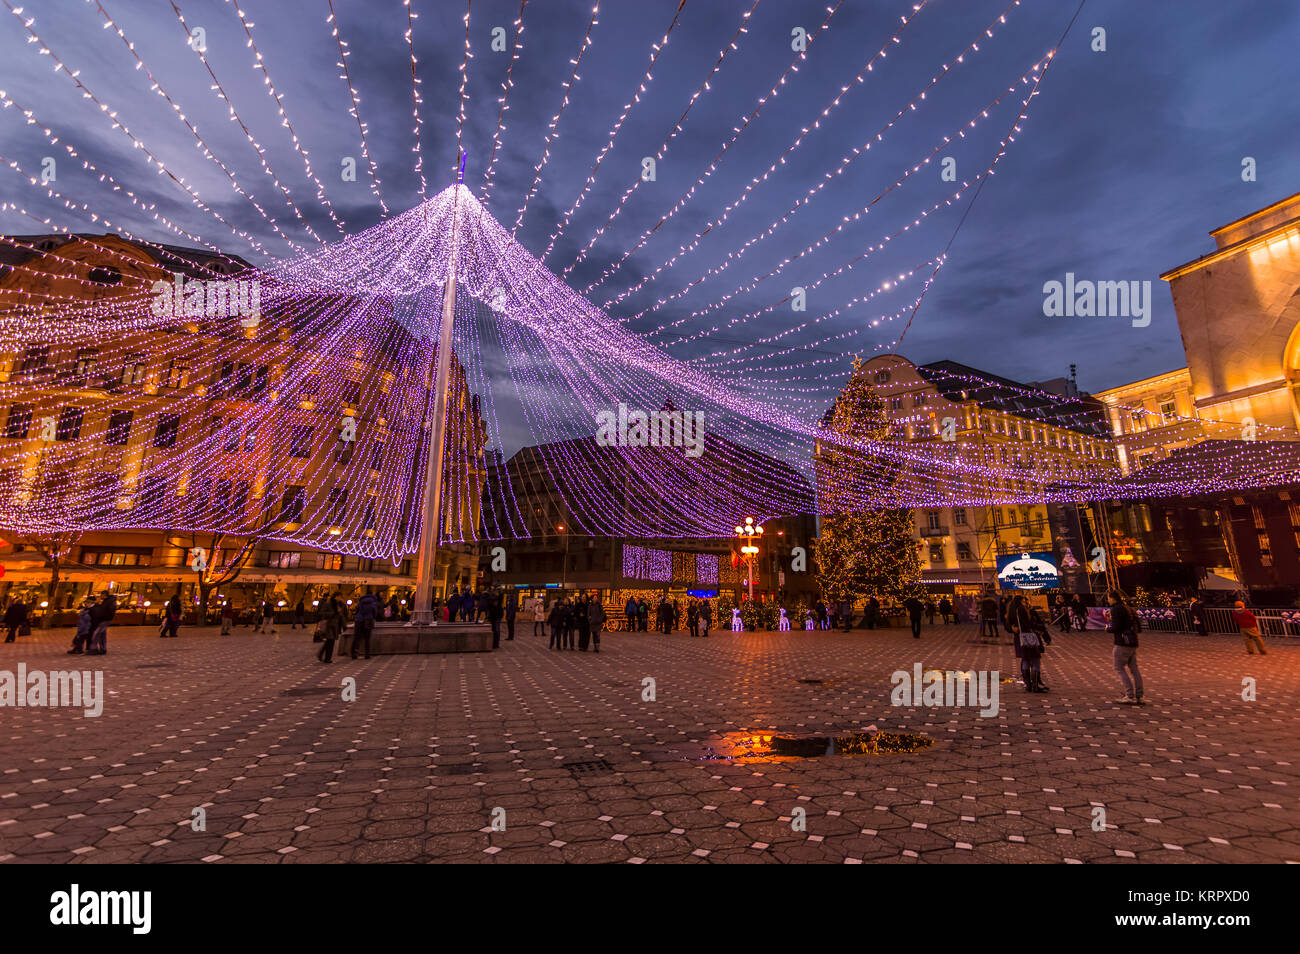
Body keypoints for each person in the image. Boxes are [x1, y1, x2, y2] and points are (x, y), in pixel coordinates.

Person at [1109, 589, 1143, 704]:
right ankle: (1139, 695)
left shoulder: (1115, 609)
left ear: (1113, 599)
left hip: (1122, 642)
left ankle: (1129, 695)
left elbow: (1116, 628)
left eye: (1108, 598)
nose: (1108, 600)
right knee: (1134, 669)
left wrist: (1107, 629)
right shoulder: (1128, 608)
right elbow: (1138, 626)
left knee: (1119, 667)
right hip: (1133, 641)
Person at [88, 590, 116, 655]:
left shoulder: (110, 601)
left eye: (101, 595)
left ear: (104, 595)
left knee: (97, 633)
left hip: (105, 619)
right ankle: (103, 649)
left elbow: (109, 611)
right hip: (104, 619)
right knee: (102, 634)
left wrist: (103, 616)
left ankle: (93, 648)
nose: (100, 596)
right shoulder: (107, 601)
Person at [352, 591, 378, 659]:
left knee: (357, 638)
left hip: (359, 620)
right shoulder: (373, 603)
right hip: (368, 620)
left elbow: (357, 611)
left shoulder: (360, 602)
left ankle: (354, 653)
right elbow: (375, 612)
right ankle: (367, 654)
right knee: (367, 638)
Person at [317, 593, 342, 663]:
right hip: (329, 625)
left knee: (330, 642)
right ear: (335, 597)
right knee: (330, 641)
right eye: (339, 596)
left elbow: (340, 615)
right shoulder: (328, 604)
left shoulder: (339, 604)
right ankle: (327, 658)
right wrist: (332, 613)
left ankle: (322, 655)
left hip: (335, 626)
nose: (340, 598)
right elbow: (321, 612)